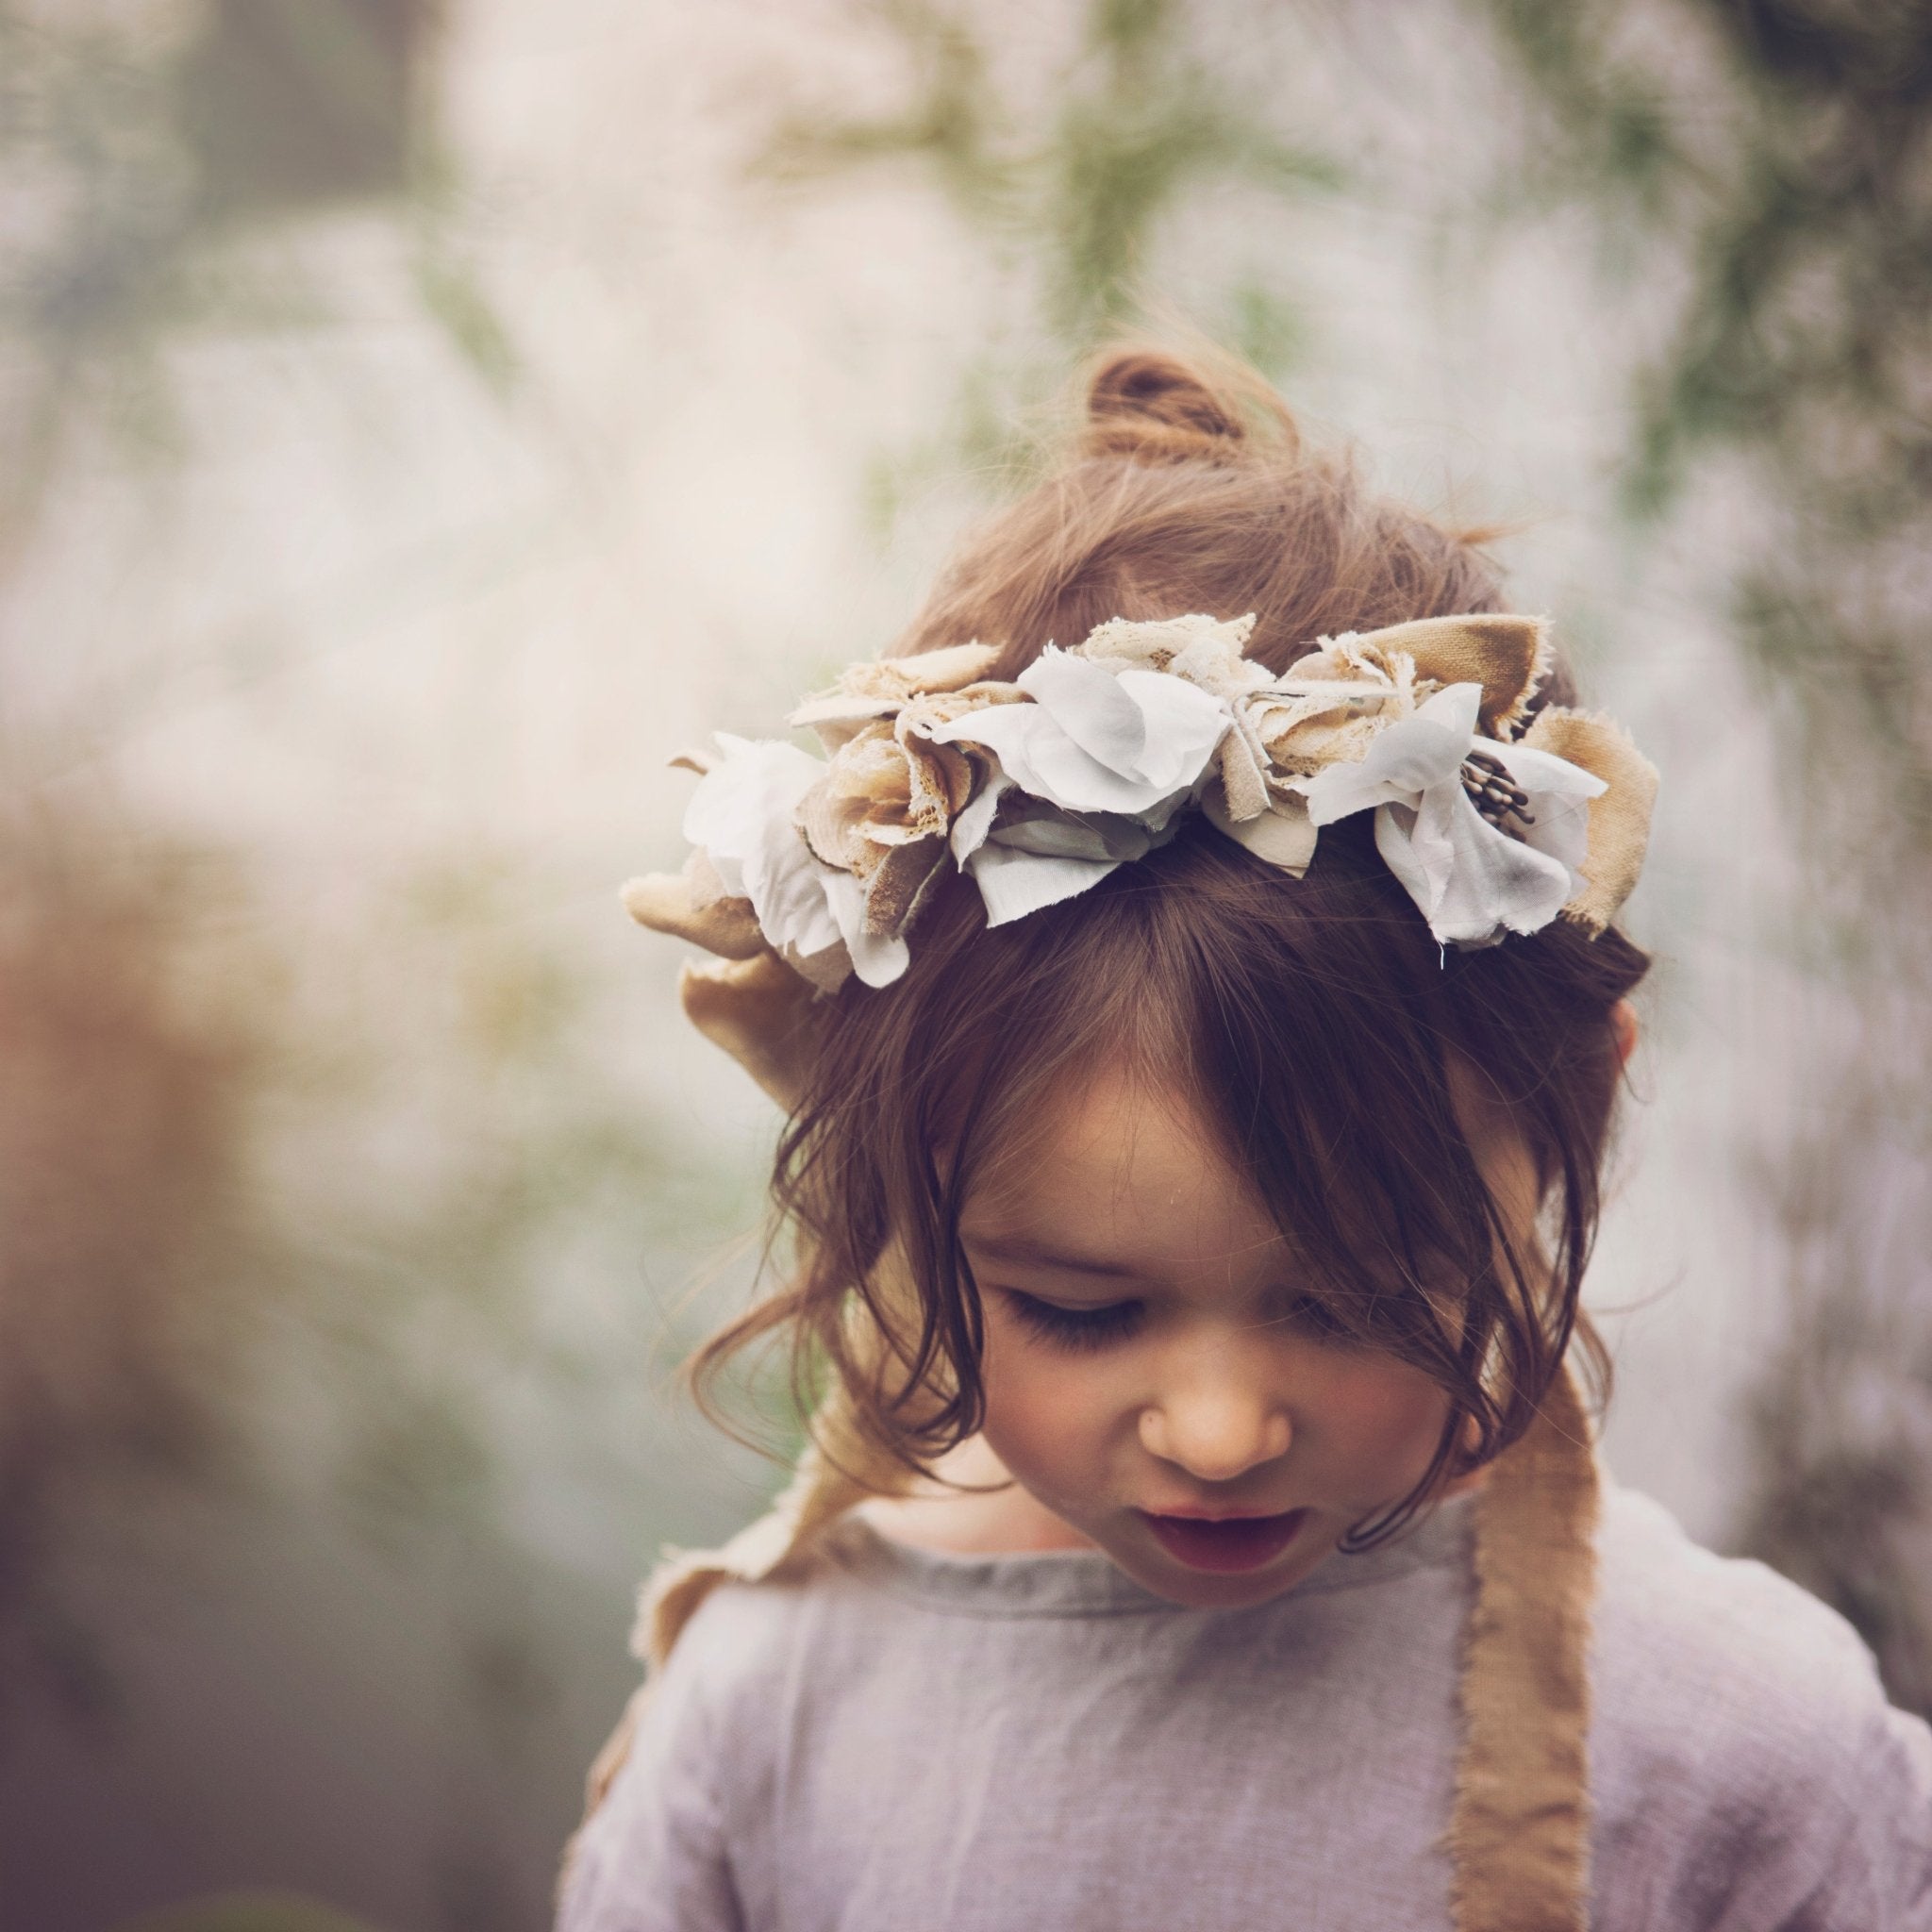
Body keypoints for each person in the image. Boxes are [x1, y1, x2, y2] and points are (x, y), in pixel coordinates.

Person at [558, 343, 1932, 1931]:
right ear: (884, 1165)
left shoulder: (1743, 1749)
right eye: (1081, 1307)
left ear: (1577, 1108)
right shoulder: (776, 1714)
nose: (1218, 1435)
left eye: (1351, 1293)